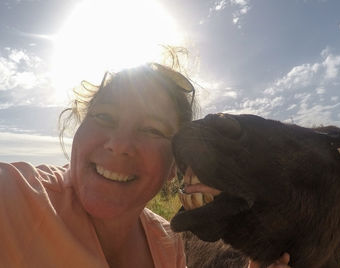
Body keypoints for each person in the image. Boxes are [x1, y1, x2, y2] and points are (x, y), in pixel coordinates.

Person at [0, 62, 290, 267]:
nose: (120, 144)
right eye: (104, 117)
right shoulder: (15, 197)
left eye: (152, 130)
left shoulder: (167, 242)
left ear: (174, 166)